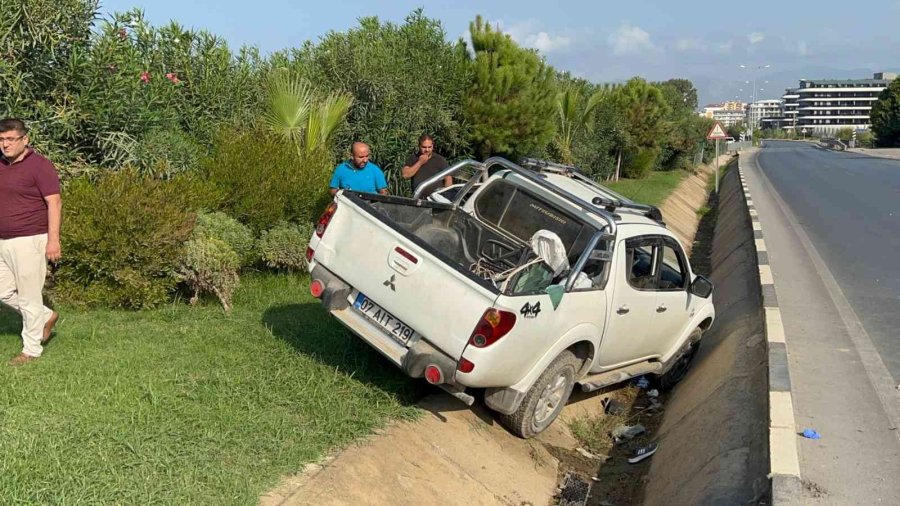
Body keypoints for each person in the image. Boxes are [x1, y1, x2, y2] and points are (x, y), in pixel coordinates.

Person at [0, 118, 61, 366]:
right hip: (3, 239)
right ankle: (45, 316)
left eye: (11, 139)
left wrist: (53, 241)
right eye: (2, 139)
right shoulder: (1, 165)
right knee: (3, 291)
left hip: (30, 239)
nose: (5, 144)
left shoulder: (40, 166)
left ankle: (31, 350)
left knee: (29, 297)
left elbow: (54, 203)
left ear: (25, 139)